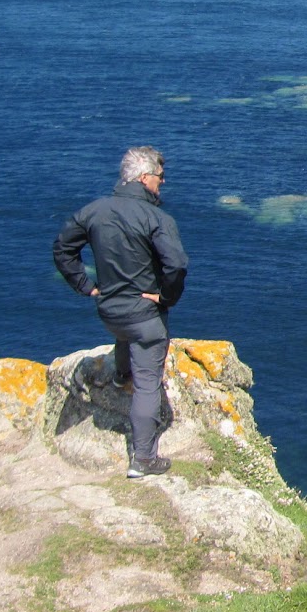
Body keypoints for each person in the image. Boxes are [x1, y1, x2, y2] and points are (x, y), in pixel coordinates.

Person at [53, 146, 189, 477]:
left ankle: (119, 374)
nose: (162, 183)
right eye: (159, 177)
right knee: (148, 383)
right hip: (144, 315)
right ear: (144, 178)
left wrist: (87, 286)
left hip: (110, 310)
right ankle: (143, 459)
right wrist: (165, 297)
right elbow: (178, 264)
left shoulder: (94, 211)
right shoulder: (157, 218)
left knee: (125, 334)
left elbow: (62, 249)